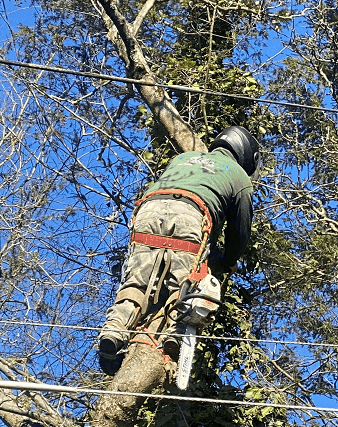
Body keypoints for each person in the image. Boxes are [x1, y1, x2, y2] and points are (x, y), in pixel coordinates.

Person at [97, 126, 258, 375]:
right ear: (245, 155)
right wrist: (229, 260)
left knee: (138, 281)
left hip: (149, 210)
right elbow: (240, 230)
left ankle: (114, 330)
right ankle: (175, 333)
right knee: (182, 283)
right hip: (192, 215)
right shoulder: (239, 176)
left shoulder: (182, 158)